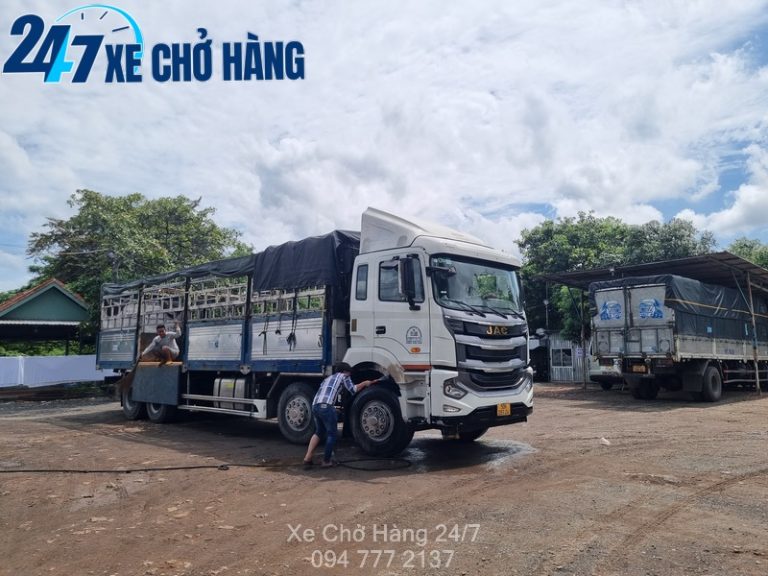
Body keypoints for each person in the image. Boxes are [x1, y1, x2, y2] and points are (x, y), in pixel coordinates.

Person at [303, 362, 379, 468]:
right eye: (349, 372)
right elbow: (353, 389)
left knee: (319, 432)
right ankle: (326, 461)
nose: (350, 375)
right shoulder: (344, 376)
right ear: (345, 371)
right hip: (326, 406)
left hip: (315, 406)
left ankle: (307, 458)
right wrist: (365, 383)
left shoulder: (327, 379)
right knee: (332, 434)